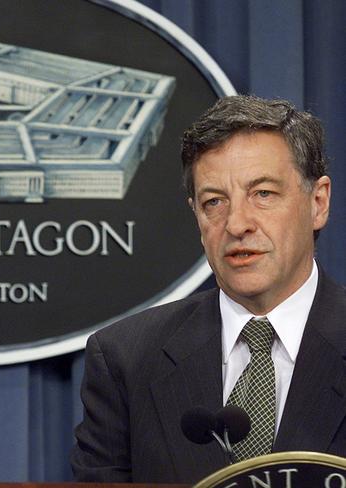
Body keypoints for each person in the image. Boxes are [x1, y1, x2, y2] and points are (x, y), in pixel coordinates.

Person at [71, 95, 344, 484]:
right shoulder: (126, 359)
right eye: (214, 201)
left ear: (318, 202)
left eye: (263, 194)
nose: (237, 224)